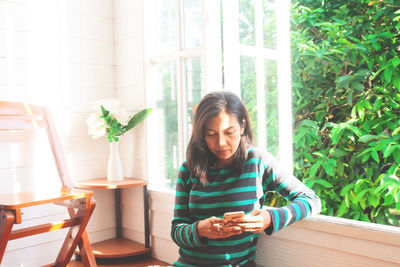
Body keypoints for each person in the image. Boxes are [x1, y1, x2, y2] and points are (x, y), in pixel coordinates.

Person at [171, 91, 321, 266]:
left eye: (229, 132)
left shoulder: (258, 162)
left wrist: (270, 218)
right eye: (211, 134)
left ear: (242, 126)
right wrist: (199, 230)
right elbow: (176, 230)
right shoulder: (189, 169)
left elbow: (311, 199)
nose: (220, 143)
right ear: (201, 134)